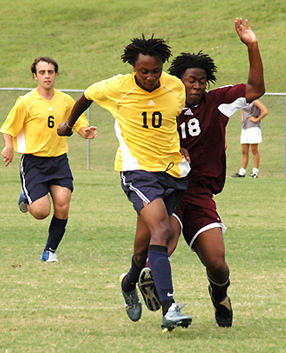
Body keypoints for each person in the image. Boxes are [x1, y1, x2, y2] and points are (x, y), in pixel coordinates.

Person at [57, 35, 192, 332]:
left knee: (144, 248)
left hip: (172, 171)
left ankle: (130, 281)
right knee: (163, 229)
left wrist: (181, 146)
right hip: (136, 171)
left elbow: (171, 122)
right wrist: (69, 123)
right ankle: (169, 307)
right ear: (134, 68)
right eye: (144, 71)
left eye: (155, 70)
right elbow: (87, 95)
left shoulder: (176, 87)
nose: (150, 76)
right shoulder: (117, 87)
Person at [137, 18, 265, 328]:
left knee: (218, 263)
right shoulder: (160, 104)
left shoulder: (219, 102)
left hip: (199, 195)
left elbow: (256, 89)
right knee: (163, 240)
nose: (197, 86)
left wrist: (252, 46)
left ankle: (219, 294)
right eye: (191, 80)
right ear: (176, 81)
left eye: (201, 80)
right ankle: (158, 291)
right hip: (166, 190)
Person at [0, 56, 97, 263]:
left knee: (63, 204)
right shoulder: (26, 102)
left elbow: (77, 121)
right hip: (34, 163)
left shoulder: (65, 100)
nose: (47, 76)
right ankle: (27, 197)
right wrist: (8, 146)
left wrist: (85, 131)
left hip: (59, 161)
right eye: (42, 72)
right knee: (42, 212)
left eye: (50, 72)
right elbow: (8, 128)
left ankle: (49, 251)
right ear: (35, 76)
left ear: (56, 75)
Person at [231, 99, 268, 178]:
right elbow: (242, 109)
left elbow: (265, 111)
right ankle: (242, 172)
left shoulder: (255, 101)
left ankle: (255, 172)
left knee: (254, 150)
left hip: (253, 128)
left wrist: (257, 119)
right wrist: (242, 119)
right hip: (245, 128)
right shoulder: (244, 101)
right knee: (244, 151)